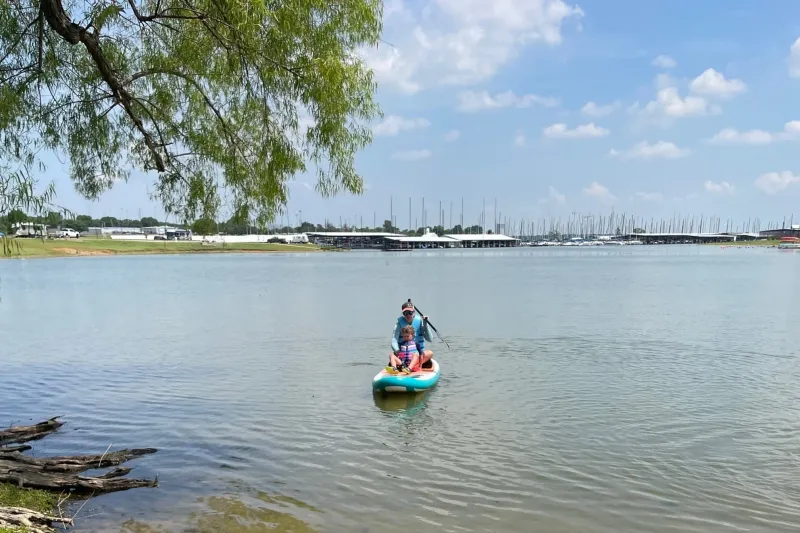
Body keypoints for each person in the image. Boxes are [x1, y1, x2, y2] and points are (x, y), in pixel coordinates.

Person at [391, 300, 433, 370]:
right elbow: (394, 340)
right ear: (403, 314)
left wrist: (426, 324)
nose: (408, 315)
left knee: (430, 353)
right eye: (405, 313)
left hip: (417, 354)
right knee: (391, 355)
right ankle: (398, 367)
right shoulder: (398, 324)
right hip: (403, 354)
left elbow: (430, 339)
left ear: (414, 312)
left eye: (410, 312)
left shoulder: (420, 322)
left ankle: (411, 366)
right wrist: (397, 351)